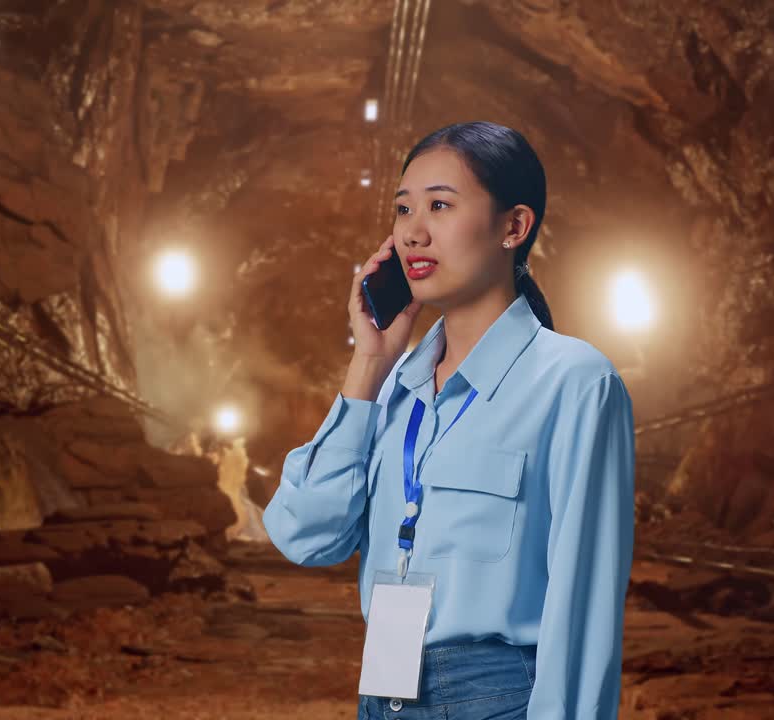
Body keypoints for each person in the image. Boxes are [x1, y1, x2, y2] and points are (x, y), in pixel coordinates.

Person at [264, 121, 635, 719]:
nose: (413, 231)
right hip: (383, 693)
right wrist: (369, 363)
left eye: (440, 205)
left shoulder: (573, 383)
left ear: (514, 227)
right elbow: (304, 534)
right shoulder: (393, 389)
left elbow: (586, 603)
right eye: (403, 208)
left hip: (498, 699)